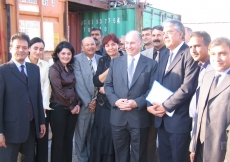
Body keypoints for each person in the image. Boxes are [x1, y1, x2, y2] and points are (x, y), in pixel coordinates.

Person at [147, 20, 199, 162]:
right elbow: (156, 83)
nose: (165, 36)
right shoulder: (164, 54)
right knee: (164, 157)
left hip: (178, 120)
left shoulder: (189, 53)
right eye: (164, 33)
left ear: (180, 34)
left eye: (169, 32)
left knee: (178, 158)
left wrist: (165, 106)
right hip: (161, 119)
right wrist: (149, 106)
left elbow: (187, 88)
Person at [104, 30, 158, 162]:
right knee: (120, 156)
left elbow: (152, 90)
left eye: (132, 43)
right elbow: (108, 85)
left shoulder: (151, 64)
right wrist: (116, 101)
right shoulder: (116, 62)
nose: (129, 46)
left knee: (138, 156)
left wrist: (137, 102)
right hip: (118, 117)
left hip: (139, 117)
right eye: (126, 43)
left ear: (140, 44)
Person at [0, 32, 46, 162]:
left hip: (30, 128)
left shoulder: (34, 69)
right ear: (10, 49)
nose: (21, 50)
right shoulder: (3, 71)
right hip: (10, 130)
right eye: (17, 47)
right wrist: (0, 132)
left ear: (28, 49)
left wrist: (41, 121)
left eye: (25, 47)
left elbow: (38, 97)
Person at [189, 37, 230, 162]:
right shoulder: (208, 76)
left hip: (222, 151)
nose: (217, 58)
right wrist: (193, 146)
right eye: (213, 54)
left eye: (222, 54)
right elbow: (200, 113)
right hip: (201, 148)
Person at [90, 33, 124, 162]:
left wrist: (108, 89)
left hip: (118, 103)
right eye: (107, 45)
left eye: (113, 44)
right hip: (103, 104)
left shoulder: (125, 59)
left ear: (118, 45)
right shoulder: (103, 60)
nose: (110, 48)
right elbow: (97, 82)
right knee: (102, 133)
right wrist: (111, 67)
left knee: (115, 134)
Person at [49, 41, 81, 162]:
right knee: (59, 140)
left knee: (68, 139)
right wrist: (72, 106)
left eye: (69, 53)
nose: (66, 56)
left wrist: (78, 104)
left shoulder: (71, 68)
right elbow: (58, 91)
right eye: (63, 53)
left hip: (72, 108)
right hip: (59, 108)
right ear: (57, 54)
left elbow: (75, 87)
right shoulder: (54, 69)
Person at [73, 37, 101, 162]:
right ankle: (82, 158)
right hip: (85, 104)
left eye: (92, 44)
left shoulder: (101, 59)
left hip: (99, 103)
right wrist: (89, 102)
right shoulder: (77, 60)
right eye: (87, 45)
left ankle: (91, 157)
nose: (90, 47)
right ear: (82, 47)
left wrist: (96, 101)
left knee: (93, 133)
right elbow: (79, 83)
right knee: (82, 134)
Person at [142, 25, 167, 162]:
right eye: (154, 35)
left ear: (164, 36)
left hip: (165, 106)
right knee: (149, 141)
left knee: (164, 142)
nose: (156, 38)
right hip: (148, 105)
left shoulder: (171, 53)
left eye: (159, 35)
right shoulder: (144, 54)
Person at [25, 37, 51, 162]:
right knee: (27, 142)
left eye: (41, 49)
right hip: (26, 108)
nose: (38, 51)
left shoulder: (45, 66)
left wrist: (43, 108)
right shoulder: (21, 64)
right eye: (35, 48)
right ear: (29, 48)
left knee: (42, 139)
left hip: (41, 109)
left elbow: (46, 88)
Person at [188, 31, 212, 120]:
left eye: (197, 46)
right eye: (191, 47)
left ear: (209, 46)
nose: (193, 50)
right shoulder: (199, 66)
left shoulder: (214, 70)